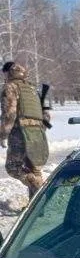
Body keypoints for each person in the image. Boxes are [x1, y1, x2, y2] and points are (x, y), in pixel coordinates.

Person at [0, 61, 50, 202]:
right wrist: (39, 130)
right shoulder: (33, 89)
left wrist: (2, 134)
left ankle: (38, 186)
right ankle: (38, 207)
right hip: (38, 132)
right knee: (34, 169)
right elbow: (46, 115)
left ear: (9, 73)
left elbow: (9, 114)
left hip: (19, 132)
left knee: (13, 167)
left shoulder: (10, 87)